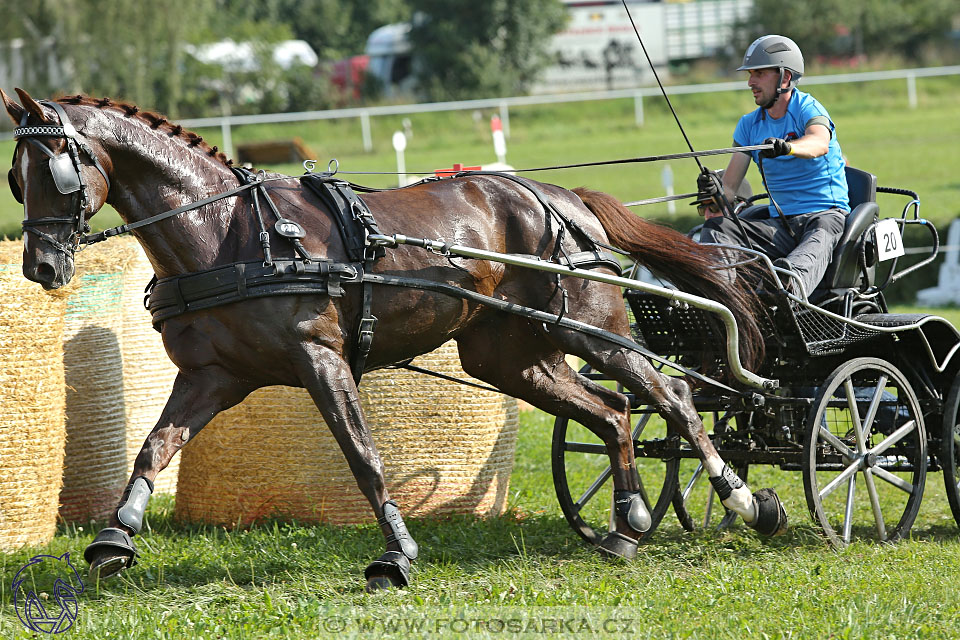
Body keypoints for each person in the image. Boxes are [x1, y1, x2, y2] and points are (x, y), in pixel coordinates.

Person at [696, 34, 849, 298]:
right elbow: (730, 189)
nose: (750, 82)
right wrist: (713, 193)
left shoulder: (807, 108)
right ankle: (719, 298)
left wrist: (788, 147)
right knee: (718, 227)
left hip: (825, 216)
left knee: (815, 241)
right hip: (781, 226)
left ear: (785, 77)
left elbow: (819, 142)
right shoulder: (748, 125)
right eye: (750, 74)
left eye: (758, 74)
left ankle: (786, 289)